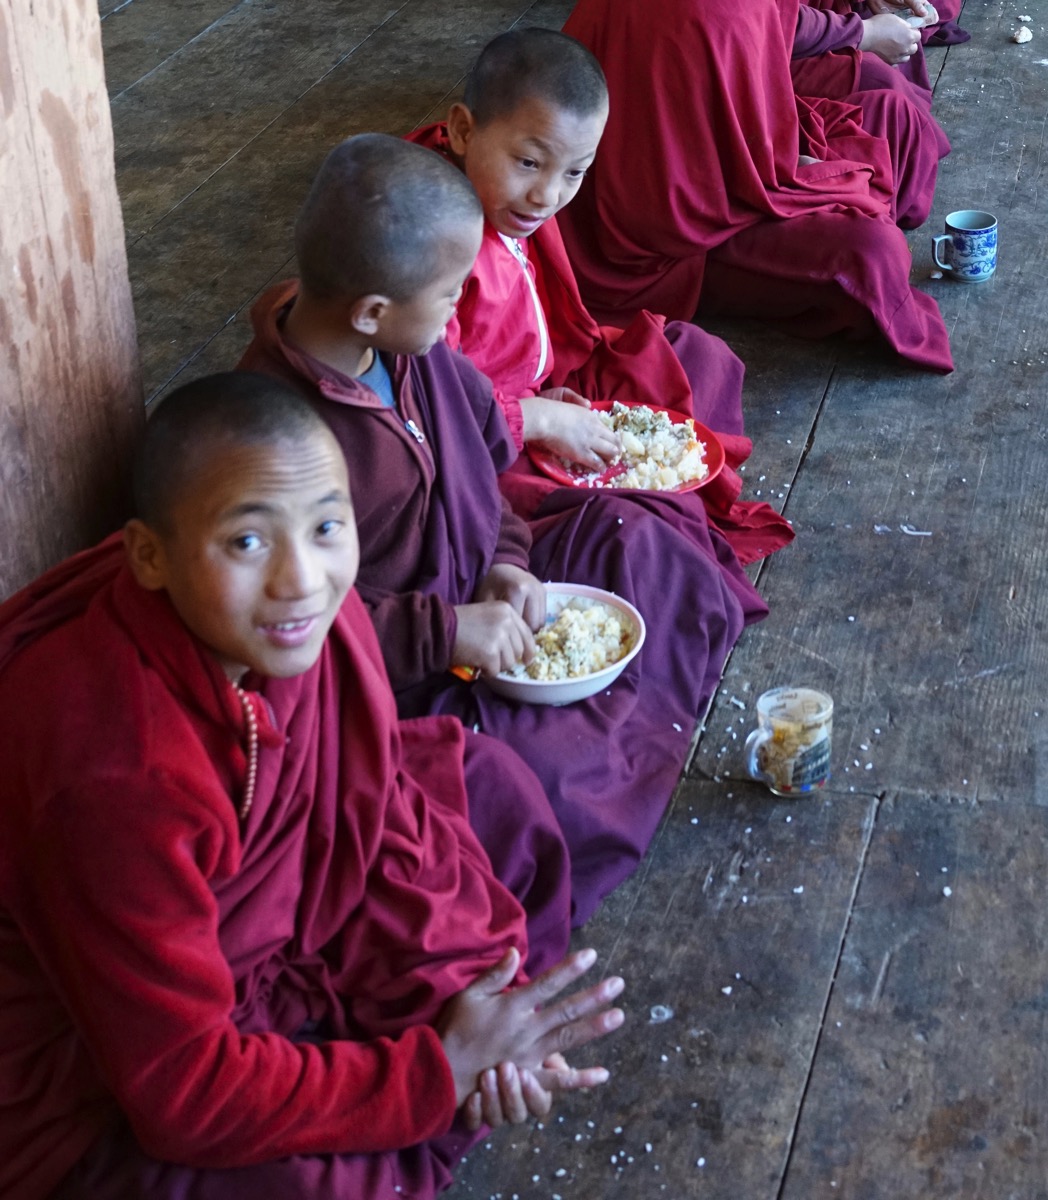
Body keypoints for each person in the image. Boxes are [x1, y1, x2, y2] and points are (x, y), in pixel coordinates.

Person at [0, 372, 623, 1200]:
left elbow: (374, 812)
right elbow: (181, 1091)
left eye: (329, 526)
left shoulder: (308, 619)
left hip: (274, 922)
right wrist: (439, 1070)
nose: (303, 578)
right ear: (148, 556)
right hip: (110, 1044)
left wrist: (481, 1001)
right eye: (248, 542)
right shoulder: (113, 769)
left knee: (494, 787)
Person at [240, 134, 771, 925]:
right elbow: (296, 631)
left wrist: (505, 562)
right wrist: (449, 631)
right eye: (453, 296)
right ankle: (613, 742)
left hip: (482, 607)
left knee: (647, 542)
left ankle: (625, 724)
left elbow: (484, 484)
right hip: (403, 678)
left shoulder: (415, 357)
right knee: (538, 788)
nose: (460, 312)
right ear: (374, 312)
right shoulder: (277, 444)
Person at [407, 28, 794, 567]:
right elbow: (424, 409)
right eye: (528, 163)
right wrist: (534, 418)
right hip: (480, 448)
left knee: (695, 353)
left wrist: (545, 397)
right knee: (634, 525)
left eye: (575, 172)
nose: (547, 195)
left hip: (536, 391)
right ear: (462, 130)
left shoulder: (503, 203)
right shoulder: (429, 245)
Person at [558, 0, 954, 373]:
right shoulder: (716, 16)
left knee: (897, 119)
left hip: (717, 164)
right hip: (656, 238)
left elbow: (774, 30)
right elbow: (696, 190)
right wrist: (803, 177)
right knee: (873, 250)